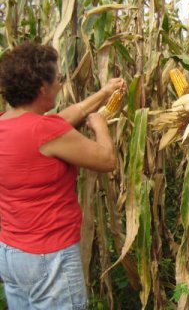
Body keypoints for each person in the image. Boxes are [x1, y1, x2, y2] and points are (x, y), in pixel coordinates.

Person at [0, 42, 126, 309]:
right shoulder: (46, 133)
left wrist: (104, 93)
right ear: (42, 88)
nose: (60, 84)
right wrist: (100, 126)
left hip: (11, 255)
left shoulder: (6, 124)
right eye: (57, 79)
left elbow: (64, 119)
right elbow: (106, 160)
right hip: (50, 258)